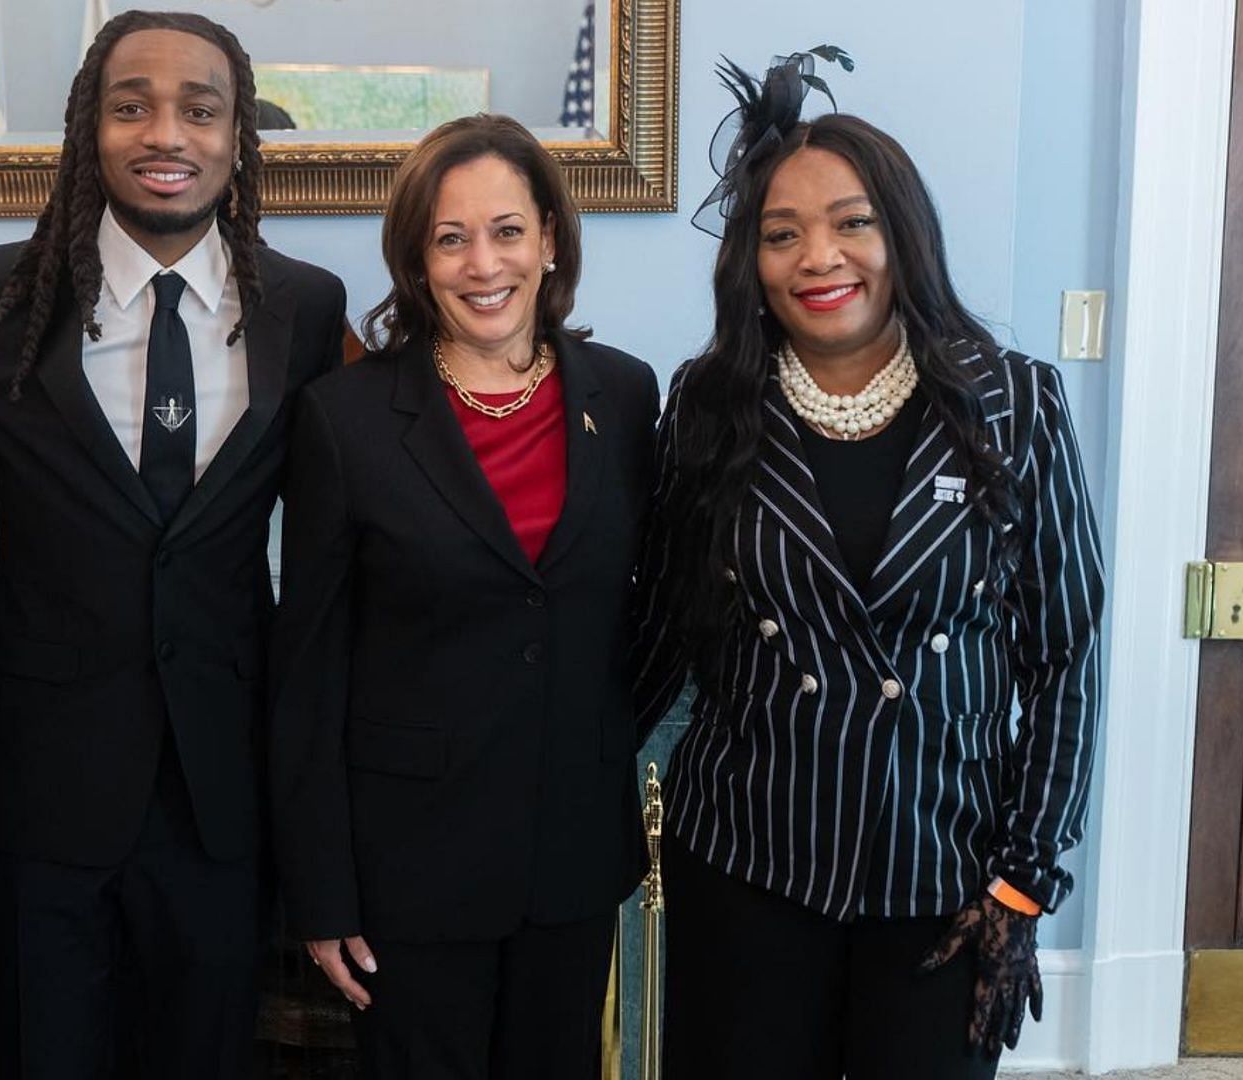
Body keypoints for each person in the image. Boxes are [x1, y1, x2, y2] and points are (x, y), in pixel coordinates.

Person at [0, 10, 347, 1078]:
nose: (164, 133)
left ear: (240, 137)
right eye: (130, 104)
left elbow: (354, 504)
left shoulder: (306, 310)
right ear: (89, 126)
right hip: (44, 787)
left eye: (200, 107)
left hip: (225, 784)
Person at [631, 58, 1106, 1078]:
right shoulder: (711, 404)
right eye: (780, 233)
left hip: (945, 876)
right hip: (749, 863)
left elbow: (1064, 653)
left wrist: (1025, 880)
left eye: (851, 222)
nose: (819, 256)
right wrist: (555, 784)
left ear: (902, 235)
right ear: (750, 262)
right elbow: (662, 631)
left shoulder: (1013, 402)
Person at [268, 113, 659, 1079]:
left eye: (508, 230)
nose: (484, 263)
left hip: (572, 850)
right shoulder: (343, 419)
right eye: (451, 239)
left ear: (551, 240)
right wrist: (322, 892)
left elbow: (647, 613)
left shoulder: (627, 395)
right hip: (410, 869)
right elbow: (308, 669)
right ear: (417, 260)